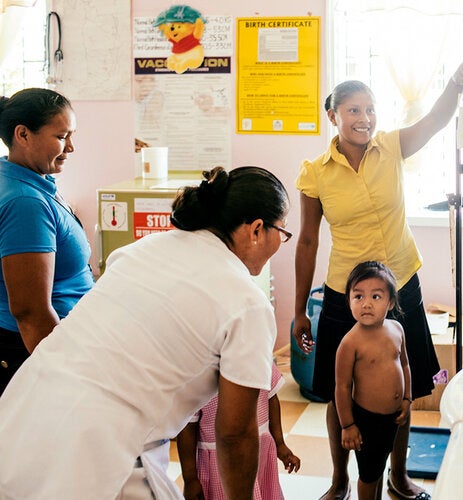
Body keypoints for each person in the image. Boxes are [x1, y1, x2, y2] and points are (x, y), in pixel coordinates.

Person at [0, 166, 291, 499]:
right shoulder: (246, 302)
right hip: (95, 449)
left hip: (22, 412)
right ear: (256, 229)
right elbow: (235, 434)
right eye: (281, 232)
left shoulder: (143, 248)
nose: (279, 243)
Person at [293, 61, 463, 500]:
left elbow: (435, 121)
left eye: (370, 110)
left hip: (400, 284)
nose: (364, 119)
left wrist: (455, 82)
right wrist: (301, 308)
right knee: (333, 387)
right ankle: (340, 480)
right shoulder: (316, 172)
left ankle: (398, 477)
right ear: (334, 117)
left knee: (408, 383)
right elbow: (306, 242)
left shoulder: (391, 147)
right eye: (353, 111)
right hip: (346, 290)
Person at [0, 87, 94, 395]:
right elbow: (31, 312)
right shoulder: (26, 202)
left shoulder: (33, 182)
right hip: (34, 353)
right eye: (62, 136)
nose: (71, 147)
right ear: (23, 134)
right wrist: (65, 377)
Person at [335, 261, 412, 500]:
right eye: (358, 296)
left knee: (378, 466)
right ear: (349, 300)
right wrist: (348, 425)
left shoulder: (397, 329)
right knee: (368, 475)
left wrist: (407, 398)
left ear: (390, 302)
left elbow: (405, 365)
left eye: (376, 296)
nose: (366, 303)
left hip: (392, 417)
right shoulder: (350, 343)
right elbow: (342, 386)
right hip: (366, 420)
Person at [177, 361, 301, 500]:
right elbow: (187, 427)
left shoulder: (258, 355)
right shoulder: (198, 373)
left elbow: (271, 397)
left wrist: (279, 443)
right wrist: (190, 479)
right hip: (218, 462)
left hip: (261, 449)